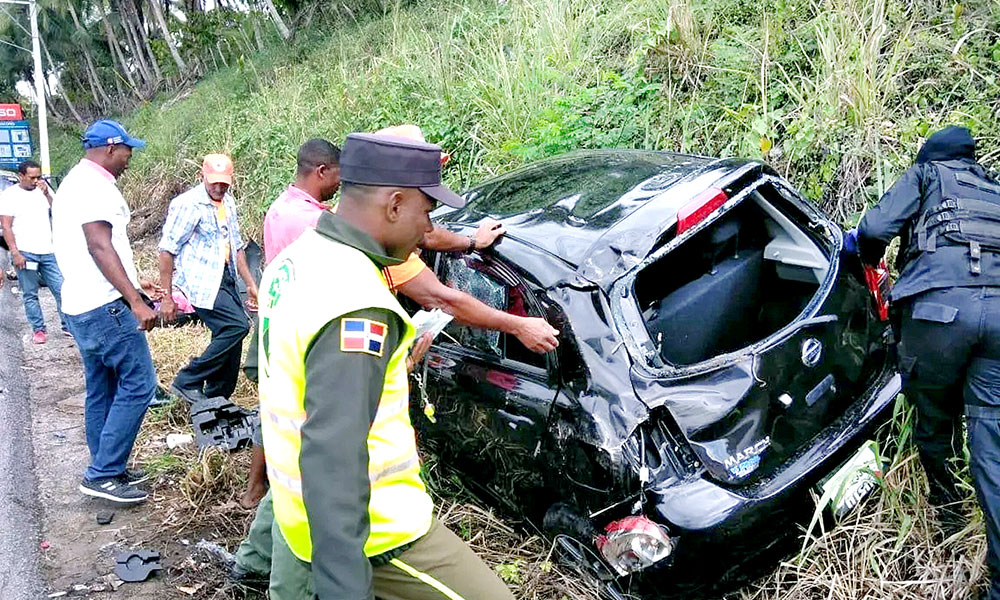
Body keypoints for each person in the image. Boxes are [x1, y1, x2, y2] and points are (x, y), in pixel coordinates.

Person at [258, 132, 517, 600]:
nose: (428, 228)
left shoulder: (293, 262)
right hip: (375, 533)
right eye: (426, 210)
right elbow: (333, 455)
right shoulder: (356, 301)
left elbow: (290, 383)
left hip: (299, 521)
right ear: (395, 204)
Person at [857, 126, 1000, 599]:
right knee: (992, 446)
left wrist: (870, 260)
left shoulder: (926, 173)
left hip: (938, 313)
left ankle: (947, 514)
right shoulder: (993, 189)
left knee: (935, 420)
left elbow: (874, 230)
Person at [52, 119, 158, 504]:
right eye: (128, 149)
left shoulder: (75, 183)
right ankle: (103, 474)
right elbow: (99, 246)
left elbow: (97, 249)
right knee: (140, 384)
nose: (131, 157)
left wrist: (134, 281)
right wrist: (133, 299)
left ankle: (106, 465)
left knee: (103, 388)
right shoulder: (94, 187)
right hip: (104, 306)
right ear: (111, 149)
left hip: (80, 304)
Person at [158, 154, 258, 403]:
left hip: (225, 278)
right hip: (201, 281)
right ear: (202, 176)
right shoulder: (188, 204)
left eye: (224, 183)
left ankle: (217, 397)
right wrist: (166, 296)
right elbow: (167, 250)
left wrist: (250, 284)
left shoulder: (229, 203)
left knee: (229, 340)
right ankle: (188, 379)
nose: (219, 187)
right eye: (214, 182)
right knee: (237, 326)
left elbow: (237, 247)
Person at [0, 159, 66, 343]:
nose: (36, 181)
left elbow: (59, 211)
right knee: (30, 293)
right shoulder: (9, 196)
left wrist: (47, 194)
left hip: (48, 249)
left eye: (39, 176)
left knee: (61, 289)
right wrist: (15, 253)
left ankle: (68, 326)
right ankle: (39, 329)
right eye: (32, 177)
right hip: (25, 251)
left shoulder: (43, 190)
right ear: (21, 176)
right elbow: (6, 227)